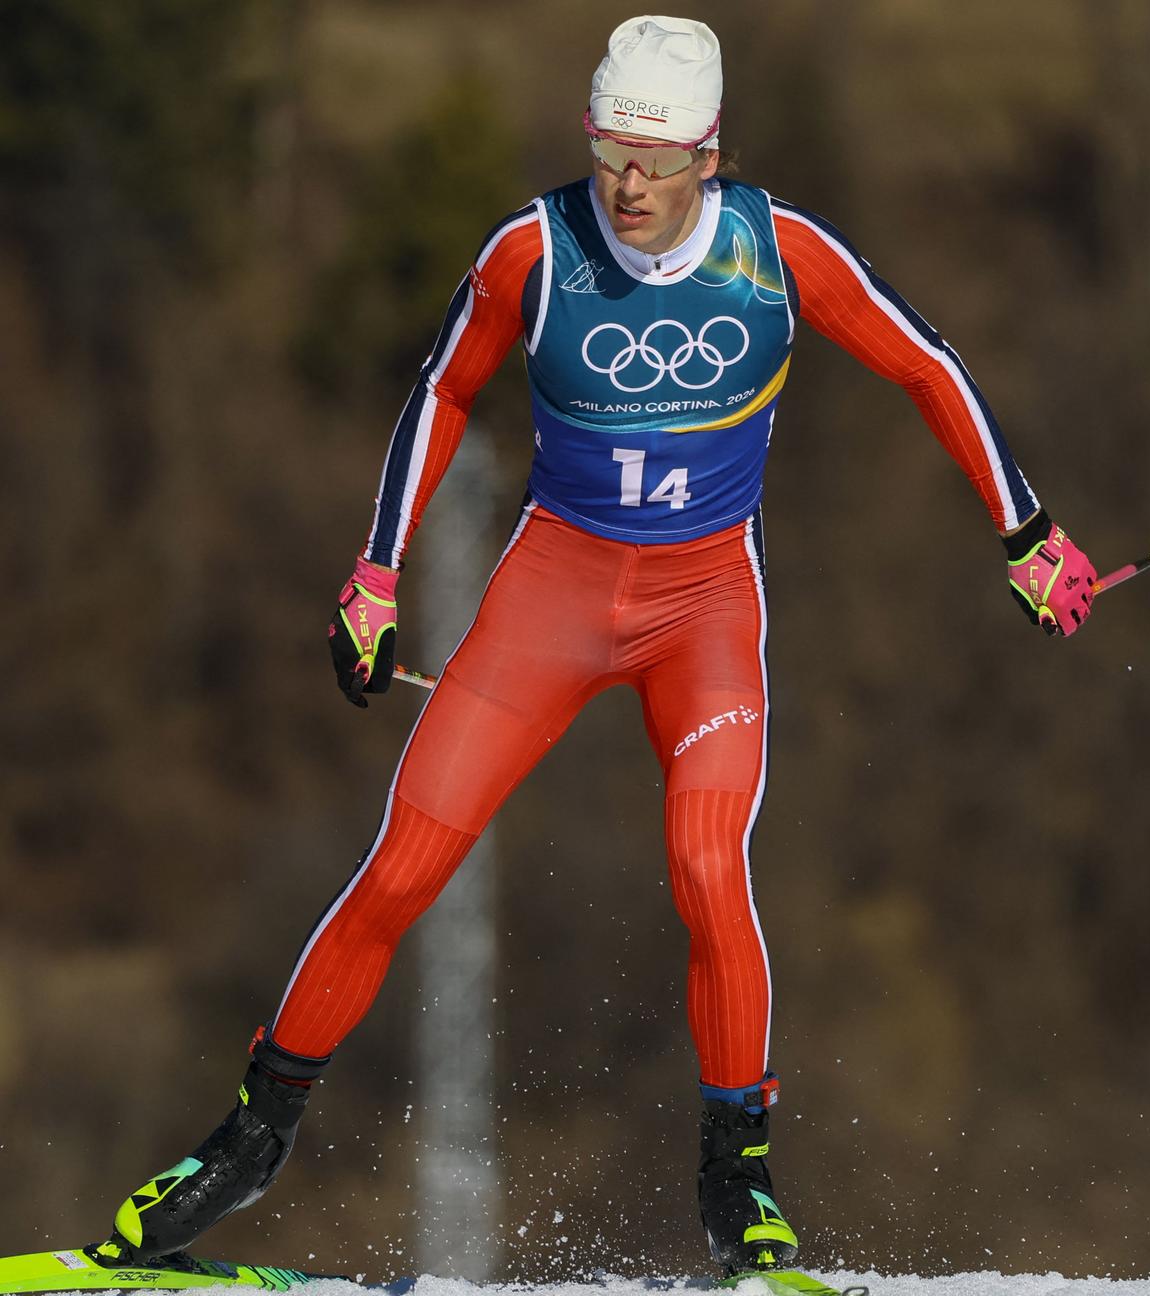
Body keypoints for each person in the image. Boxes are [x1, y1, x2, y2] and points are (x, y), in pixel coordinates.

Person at [103, 14, 1097, 1280]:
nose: (626, 187)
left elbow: (928, 365)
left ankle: (739, 1186)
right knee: (405, 864)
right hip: (554, 592)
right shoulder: (535, 248)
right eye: (609, 153)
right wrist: (373, 572)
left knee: (705, 866)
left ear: (710, 156)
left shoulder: (777, 252)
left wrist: (1025, 527)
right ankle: (246, 1143)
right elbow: (440, 391)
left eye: (656, 161)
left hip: (704, 605)